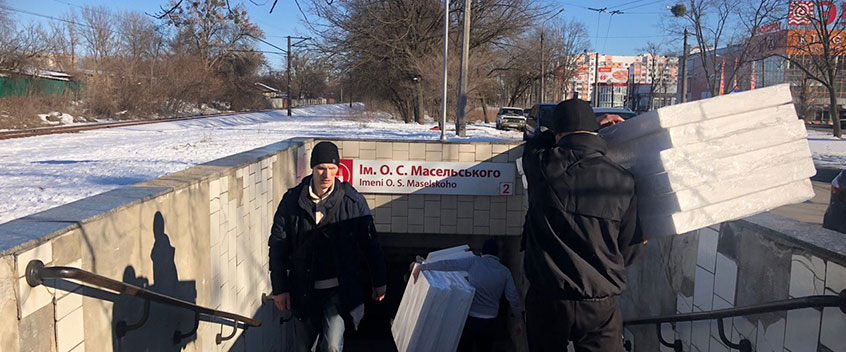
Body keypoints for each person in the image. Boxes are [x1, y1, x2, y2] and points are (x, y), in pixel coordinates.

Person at [521, 99, 645, 352]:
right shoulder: (623, 181)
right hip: (599, 303)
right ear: (593, 131)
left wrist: (583, 129)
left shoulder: (542, 166)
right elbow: (629, 251)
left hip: (547, 298)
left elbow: (533, 143)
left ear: (558, 133)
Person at [268, 141, 387, 352]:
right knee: (303, 347)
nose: (327, 174)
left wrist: (379, 280)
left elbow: (370, 244)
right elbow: (278, 246)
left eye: (332, 169)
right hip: (303, 290)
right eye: (321, 168)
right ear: (312, 168)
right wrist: (280, 288)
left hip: (339, 290)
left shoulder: (352, 202)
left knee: (332, 346)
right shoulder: (292, 201)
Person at [412, 238, 524, 352]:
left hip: (470, 318)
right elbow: (512, 297)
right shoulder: (505, 272)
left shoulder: (474, 262)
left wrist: (423, 266)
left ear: (482, 253)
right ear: (497, 254)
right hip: (490, 321)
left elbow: (449, 264)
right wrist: (519, 320)